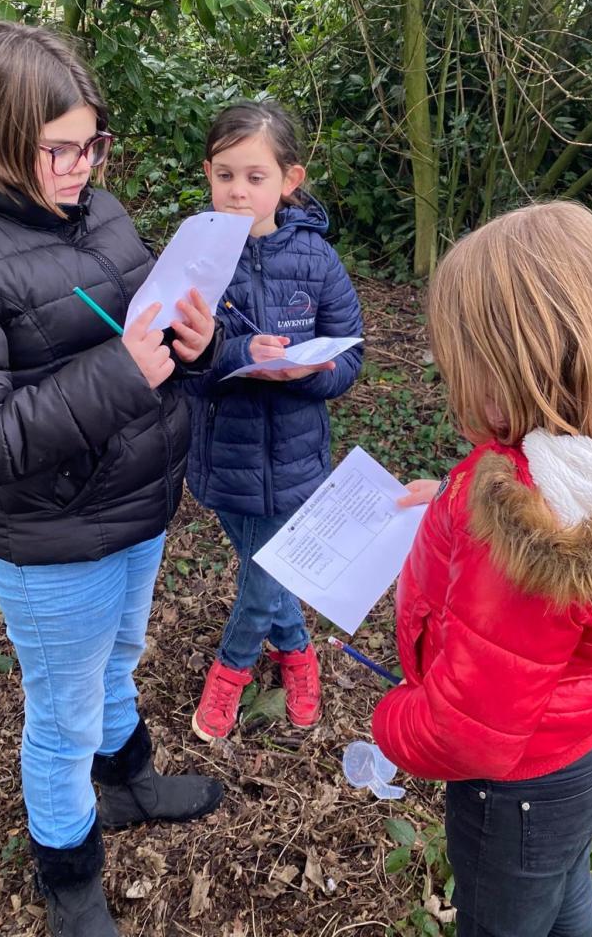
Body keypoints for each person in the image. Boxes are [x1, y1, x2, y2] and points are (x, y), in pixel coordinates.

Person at [0, 22, 226, 937]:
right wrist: (121, 373)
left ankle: (129, 783)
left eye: (92, 144)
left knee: (120, 659)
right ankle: (68, 874)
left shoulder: (99, 213)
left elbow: (152, 325)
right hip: (52, 537)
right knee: (63, 714)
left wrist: (200, 342)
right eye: (60, 150)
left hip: (140, 503)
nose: (83, 167)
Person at [372, 201, 592, 937]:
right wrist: (451, 497)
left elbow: (468, 733)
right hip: (588, 738)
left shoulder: (525, 546)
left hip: (514, 791)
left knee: (503, 921)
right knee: (564, 880)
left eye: (459, 364)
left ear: (506, 374)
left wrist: (392, 720)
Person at [184, 100, 363, 741]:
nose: (238, 190)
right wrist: (237, 355)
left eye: (255, 176)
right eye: (225, 175)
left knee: (264, 572)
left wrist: (308, 374)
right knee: (271, 567)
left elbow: (350, 355)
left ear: (290, 180)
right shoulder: (196, 258)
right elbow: (180, 361)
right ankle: (296, 648)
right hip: (224, 456)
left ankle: (232, 669)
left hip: (296, 457)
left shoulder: (318, 261)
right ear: (208, 174)